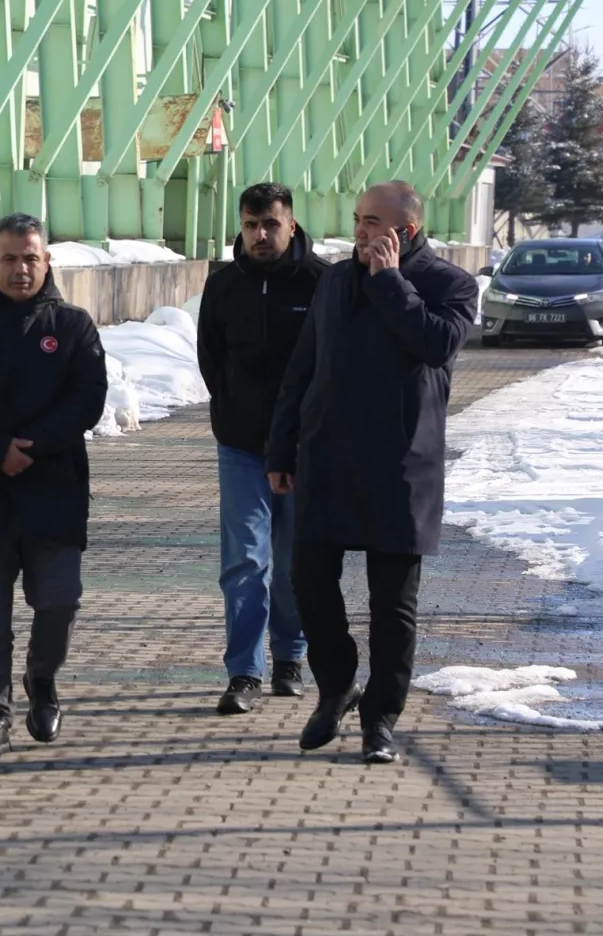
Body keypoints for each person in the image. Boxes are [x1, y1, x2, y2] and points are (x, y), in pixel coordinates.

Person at [267, 181, 477, 764]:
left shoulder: (450, 284)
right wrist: (280, 449)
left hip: (400, 467)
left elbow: (436, 344)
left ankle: (380, 718)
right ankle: (337, 686)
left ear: (406, 231)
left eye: (372, 223)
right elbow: (303, 367)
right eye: (358, 219)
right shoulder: (335, 280)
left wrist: (390, 282)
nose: (359, 231)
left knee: (392, 607)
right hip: (327, 458)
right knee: (307, 581)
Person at [0, 213, 108, 762]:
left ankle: (42, 679)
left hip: (54, 490)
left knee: (59, 602)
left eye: (31, 258)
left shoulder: (73, 325)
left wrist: (33, 446)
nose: (20, 268)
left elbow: (88, 399)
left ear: (47, 261)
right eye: (9, 258)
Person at [196, 183, 326, 716]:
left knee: (294, 560)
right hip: (242, 446)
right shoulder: (223, 285)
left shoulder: (320, 282)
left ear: (291, 224)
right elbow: (211, 360)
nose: (261, 235)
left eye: (271, 224)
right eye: (251, 225)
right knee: (246, 560)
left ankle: (290, 657)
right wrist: (233, 411)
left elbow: (331, 363)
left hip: (303, 449)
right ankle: (244, 672)